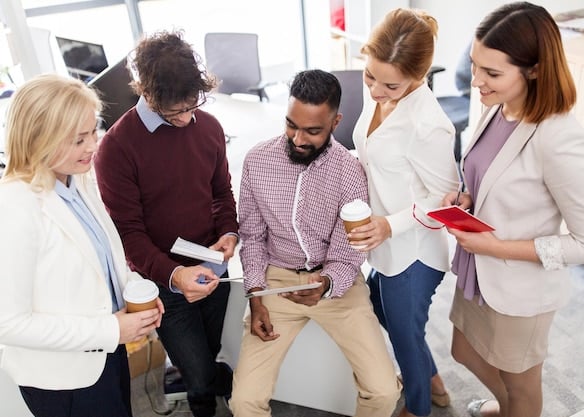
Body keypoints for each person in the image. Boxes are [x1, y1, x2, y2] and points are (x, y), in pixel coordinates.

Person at [440, 3, 584, 417]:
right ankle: (506, 406)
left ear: (534, 70)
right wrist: (467, 196)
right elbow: (493, 175)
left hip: (518, 288)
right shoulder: (497, 106)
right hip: (478, 271)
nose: (476, 81)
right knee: (463, 351)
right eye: (474, 65)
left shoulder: (558, 137)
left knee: (522, 389)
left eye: (492, 73)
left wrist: (495, 247)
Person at [230, 69, 402, 417]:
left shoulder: (350, 172)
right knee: (244, 402)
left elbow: (348, 251)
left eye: (312, 131)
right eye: (291, 124)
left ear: (335, 121)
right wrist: (255, 296)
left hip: (335, 282)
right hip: (274, 284)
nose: (297, 138)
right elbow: (252, 237)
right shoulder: (256, 161)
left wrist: (326, 284)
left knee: (383, 392)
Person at [0, 74, 164, 417]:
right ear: (39, 140)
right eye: (78, 140)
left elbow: (102, 262)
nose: (93, 146)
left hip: (106, 354)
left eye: (94, 131)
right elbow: (8, 323)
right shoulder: (14, 207)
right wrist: (110, 329)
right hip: (64, 379)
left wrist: (136, 293)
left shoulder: (77, 178)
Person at [94, 30, 238, 417]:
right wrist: (175, 277)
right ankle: (204, 399)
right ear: (148, 95)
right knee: (197, 370)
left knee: (208, 352)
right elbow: (130, 237)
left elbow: (222, 194)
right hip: (163, 281)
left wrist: (228, 232)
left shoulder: (207, 127)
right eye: (176, 112)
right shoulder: (116, 149)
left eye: (193, 104)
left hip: (212, 266)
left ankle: (208, 387)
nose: (188, 118)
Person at [349, 8, 460, 417]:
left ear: (418, 76)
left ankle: (418, 407)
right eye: (369, 76)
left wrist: (389, 224)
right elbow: (372, 152)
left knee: (404, 337)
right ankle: (433, 382)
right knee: (385, 314)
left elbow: (445, 201)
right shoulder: (380, 88)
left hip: (414, 252)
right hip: (383, 243)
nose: (375, 90)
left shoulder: (428, 125)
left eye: (389, 84)